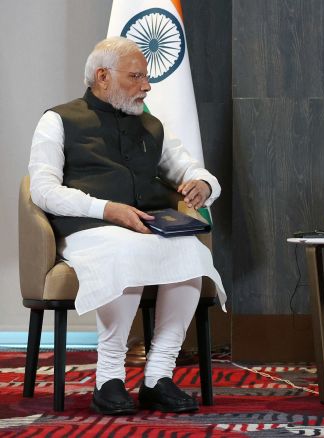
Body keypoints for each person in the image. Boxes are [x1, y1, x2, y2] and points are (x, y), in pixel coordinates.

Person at [28, 37, 227, 415]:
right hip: (87, 229)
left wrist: (203, 184)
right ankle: (109, 378)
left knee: (190, 251)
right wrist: (106, 210)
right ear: (103, 76)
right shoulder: (57, 120)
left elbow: (189, 169)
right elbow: (42, 189)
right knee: (125, 249)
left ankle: (158, 376)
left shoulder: (151, 125)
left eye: (146, 77)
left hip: (147, 228)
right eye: (136, 76)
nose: (147, 86)